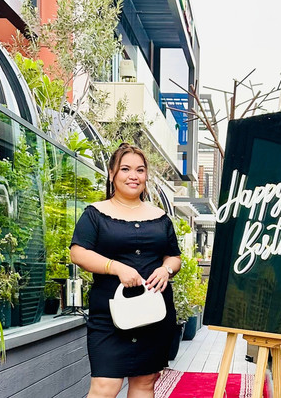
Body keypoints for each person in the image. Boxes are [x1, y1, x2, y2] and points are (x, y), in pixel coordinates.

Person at [70, 143, 181, 398]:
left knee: (145, 383)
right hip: (109, 314)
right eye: (126, 169)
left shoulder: (160, 217)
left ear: (146, 175)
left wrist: (166, 269)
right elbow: (78, 253)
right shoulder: (95, 213)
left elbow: (174, 257)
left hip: (154, 312)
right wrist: (116, 267)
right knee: (105, 386)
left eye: (140, 170)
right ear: (112, 173)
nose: (134, 176)